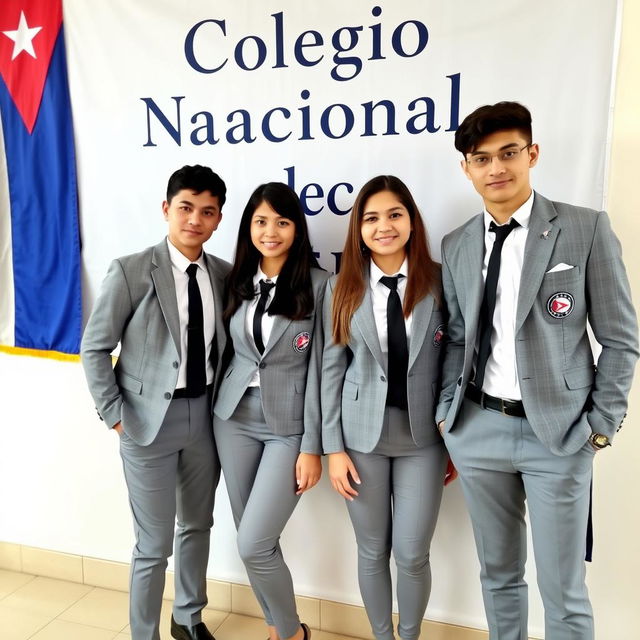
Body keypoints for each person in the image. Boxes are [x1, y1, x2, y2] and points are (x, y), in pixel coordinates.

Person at [436, 101, 639, 639]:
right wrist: (445, 417)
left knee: (563, 590)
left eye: (508, 154)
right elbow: (457, 338)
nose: (496, 169)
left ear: (533, 154)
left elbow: (621, 339)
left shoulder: (584, 228)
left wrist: (601, 425)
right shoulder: (456, 244)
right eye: (482, 159)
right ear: (467, 169)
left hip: (560, 434)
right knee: (499, 576)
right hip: (478, 430)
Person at [81, 165, 230, 640]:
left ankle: (188, 618)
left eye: (207, 212)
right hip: (146, 424)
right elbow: (94, 347)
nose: (195, 220)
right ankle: (142, 633)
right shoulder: (130, 270)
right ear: (167, 209)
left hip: (204, 417)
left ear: (218, 219)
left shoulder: (224, 275)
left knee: (197, 525)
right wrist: (115, 415)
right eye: (185, 208)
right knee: (153, 544)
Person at [321, 175, 452, 640]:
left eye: (394, 214)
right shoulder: (342, 287)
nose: (384, 227)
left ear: (412, 221)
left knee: (413, 553)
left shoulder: (440, 280)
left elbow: (455, 360)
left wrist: (452, 434)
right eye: (371, 218)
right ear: (358, 228)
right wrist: (331, 448)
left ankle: (410, 635)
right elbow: (330, 372)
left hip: (424, 440)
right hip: (360, 442)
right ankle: (381, 635)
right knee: (372, 549)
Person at [213, 182, 328, 640]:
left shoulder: (321, 286)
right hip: (233, 417)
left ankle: (292, 633)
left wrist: (313, 446)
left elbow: (325, 371)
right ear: (248, 228)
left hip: (290, 426)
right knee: (251, 537)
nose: (271, 231)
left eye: (282, 221)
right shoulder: (235, 282)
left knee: (254, 542)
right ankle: (276, 628)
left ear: (297, 229)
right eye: (261, 221)